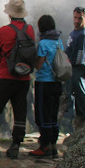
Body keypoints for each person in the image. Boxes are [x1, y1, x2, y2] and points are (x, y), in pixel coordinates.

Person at [0, 0, 36, 159]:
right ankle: (15, 146)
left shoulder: (4, 31)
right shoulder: (30, 30)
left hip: (5, 76)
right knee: (20, 112)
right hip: (24, 78)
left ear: (9, 14)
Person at [29, 15, 63, 158]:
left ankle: (44, 147)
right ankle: (53, 145)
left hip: (44, 83)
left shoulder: (43, 44)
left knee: (43, 115)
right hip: (57, 83)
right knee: (53, 115)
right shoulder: (58, 42)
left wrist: (32, 61)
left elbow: (39, 64)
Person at [61, 7, 85, 131]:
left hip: (77, 72)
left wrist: (67, 64)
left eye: (80, 18)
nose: (77, 20)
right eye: (75, 17)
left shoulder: (83, 36)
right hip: (71, 71)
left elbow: (79, 58)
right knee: (66, 102)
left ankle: (80, 133)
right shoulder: (75, 32)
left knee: (80, 104)